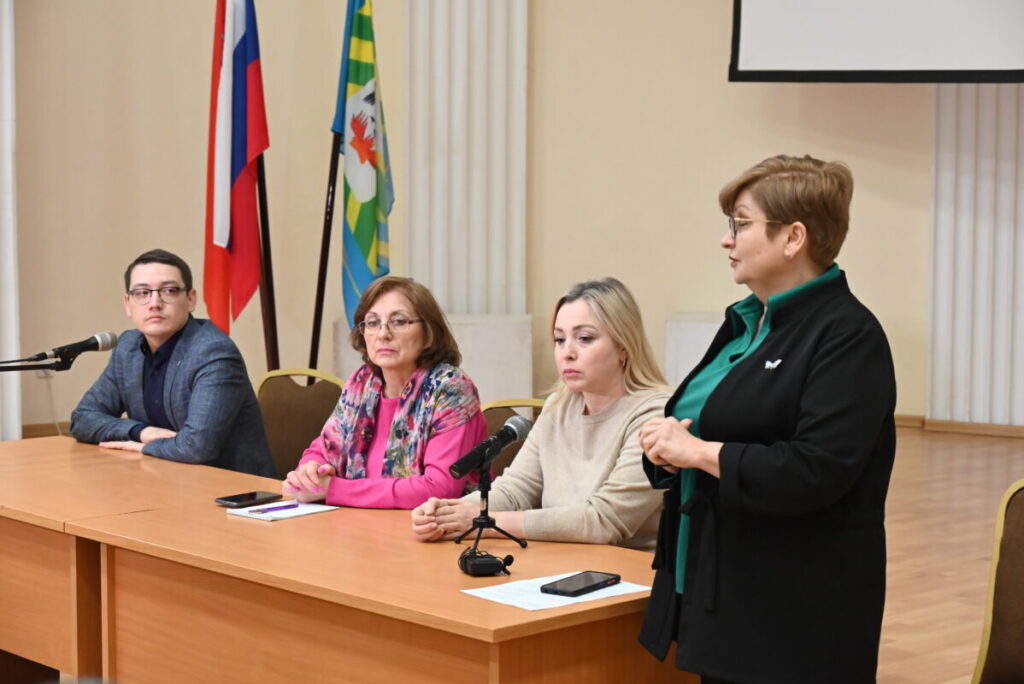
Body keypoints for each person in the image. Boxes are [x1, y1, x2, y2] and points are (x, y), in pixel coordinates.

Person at [637, 155, 897, 683]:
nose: (726, 240)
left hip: (794, 613)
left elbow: (816, 469)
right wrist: (665, 451)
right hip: (718, 590)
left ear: (793, 237)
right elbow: (701, 427)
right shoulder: (746, 322)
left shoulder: (848, 335)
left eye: (741, 224)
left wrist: (699, 453)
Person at [411, 278, 670, 551]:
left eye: (585, 338)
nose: (567, 353)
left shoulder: (655, 414)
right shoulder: (559, 406)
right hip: (561, 560)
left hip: (628, 569)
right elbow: (516, 490)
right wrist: (447, 513)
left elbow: (603, 521)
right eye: (559, 339)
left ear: (624, 347)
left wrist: (487, 521)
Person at [282, 276, 486, 509]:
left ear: (429, 334)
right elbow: (323, 449)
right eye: (372, 323)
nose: (383, 334)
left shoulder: (451, 389)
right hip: (359, 523)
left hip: (434, 526)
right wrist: (310, 472)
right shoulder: (362, 383)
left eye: (398, 321)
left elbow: (439, 488)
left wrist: (333, 489)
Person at [70, 249, 274, 477]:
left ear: (190, 300)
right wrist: (140, 432)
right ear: (128, 304)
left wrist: (144, 448)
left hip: (233, 487)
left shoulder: (214, 352)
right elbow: (83, 418)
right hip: (162, 478)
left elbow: (196, 448)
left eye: (168, 291)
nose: (154, 303)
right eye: (142, 293)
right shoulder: (128, 348)